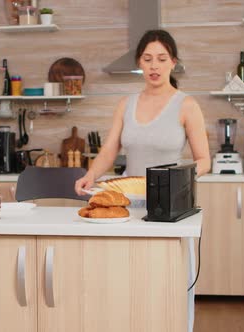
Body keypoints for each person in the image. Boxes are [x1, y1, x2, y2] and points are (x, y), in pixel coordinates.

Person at [75, 30, 210, 332]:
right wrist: (90, 174)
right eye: (147, 59)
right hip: (127, 205)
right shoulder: (126, 103)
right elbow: (109, 150)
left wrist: (177, 181)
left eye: (162, 59)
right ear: (139, 63)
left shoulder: (187, 105)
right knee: (125, 281)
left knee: (167, 283)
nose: (154, 66)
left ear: (173, 62)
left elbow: (204, 160)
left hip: (169, 207)